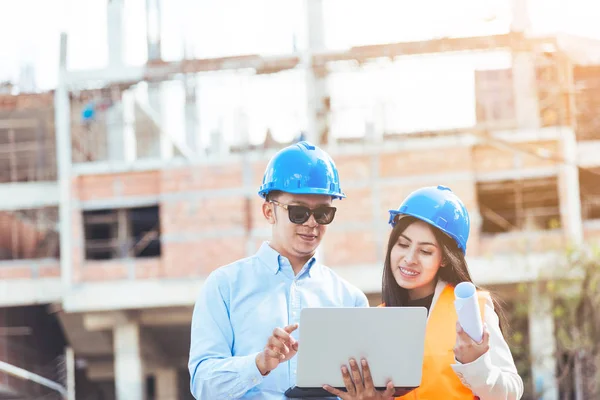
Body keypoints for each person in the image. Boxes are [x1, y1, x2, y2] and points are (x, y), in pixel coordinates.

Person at [188, 141, 369, 399]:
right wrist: (259, 364)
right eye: (298, 212)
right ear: (268, 212)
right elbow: (203, 384)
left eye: (323, 213)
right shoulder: (225, 286)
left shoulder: (350, 300)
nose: (311, 223)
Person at [323, 185, 524, 400]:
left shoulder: (474, 310)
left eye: (425, 251)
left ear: (445, 258)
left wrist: (476, 364)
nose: (409, 258)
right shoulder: (376, 319)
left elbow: (511, 393)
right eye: (402, 244)